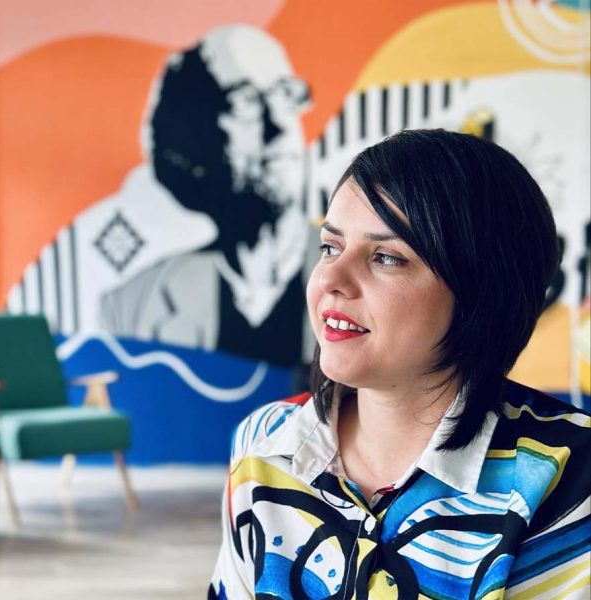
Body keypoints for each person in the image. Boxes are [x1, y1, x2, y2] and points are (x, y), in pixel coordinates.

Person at [208, 129, 591, 598]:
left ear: (482, 293)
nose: (331, 278)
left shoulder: (567, 475)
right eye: (330, 247)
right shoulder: (263, 444)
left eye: (386, 257)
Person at [99, 25, 311, 366]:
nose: (279, 124)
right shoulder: (133, 305)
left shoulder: (373, 279)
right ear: (197, 137)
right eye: (246, 101)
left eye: (285, 94)